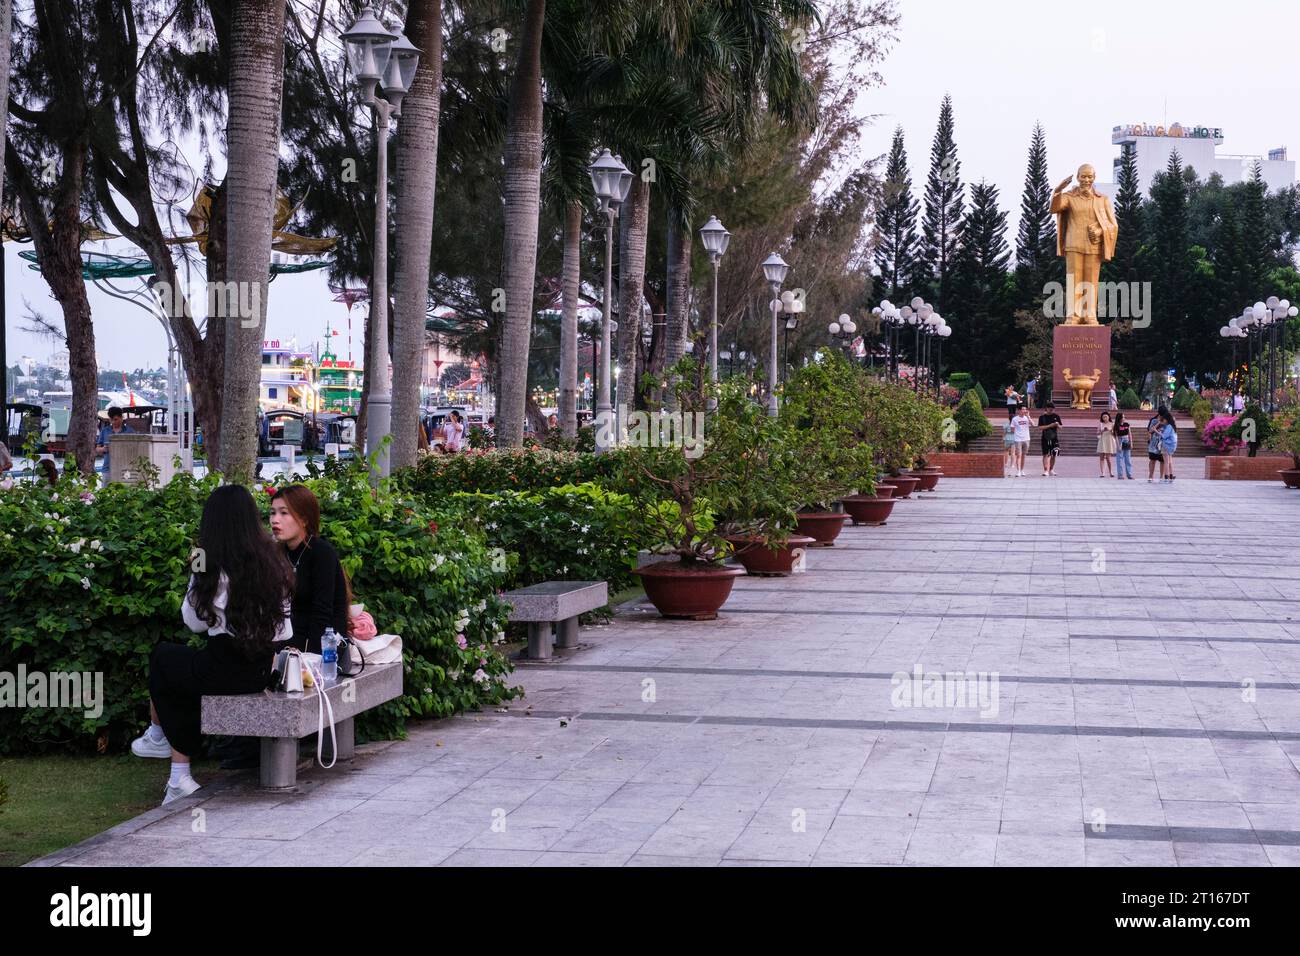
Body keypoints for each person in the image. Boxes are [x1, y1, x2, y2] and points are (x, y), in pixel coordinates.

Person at [130, 485, 294, 804]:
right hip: (260, 671)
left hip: (222, 668)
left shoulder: (208, 563)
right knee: (184, 672)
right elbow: (283, 630)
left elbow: (192, 622)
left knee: (165, 657)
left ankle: (159, 736)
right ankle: (176, 777)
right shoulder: (274, 562)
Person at [270, 484, 350, 653]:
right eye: (273, 512)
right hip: (287, 639)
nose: (275, 519)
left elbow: (323, 612)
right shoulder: (276, 553)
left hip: (321, 644)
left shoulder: (321, 553)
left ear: (304, 519)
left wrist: (311, 657)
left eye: (284, 513)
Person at [95, 406, 135, 476]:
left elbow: (135, 450)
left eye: (115, 419)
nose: (113, 422)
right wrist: (103, 449)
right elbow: (97, 449)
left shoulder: (130, 431)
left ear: (121, 418)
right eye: (111, 420)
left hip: (125, 469)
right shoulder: (105, 431)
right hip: (107, 469)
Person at [1038, 402, 1063, 476]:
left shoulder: (1056, 416)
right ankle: (1045, 470)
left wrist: (1058, 425)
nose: (1051, 410)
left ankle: (1051, 469)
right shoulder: (1042, 417)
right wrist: (1050, 425)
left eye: (1053, 409)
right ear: (1046, 408)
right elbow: (1040, 427)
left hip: (1054, 437)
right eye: (1050, 409)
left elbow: (1061, 427)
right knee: (1045, 454)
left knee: (1054, 454)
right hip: (1045, 437)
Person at [1010, 404, 1033, 478]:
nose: (1024, 411)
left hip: (1026, 439)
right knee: (1019, 455)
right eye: (1023, 409)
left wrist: (1029, 416)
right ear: (1019, 410)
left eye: (1025, 409)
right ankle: (1018, 471)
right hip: (1018, 439)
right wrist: (1017, 435)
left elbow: (1033, 424)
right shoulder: (1015, 419)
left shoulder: (1027, 418)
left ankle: (1022, 470)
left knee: (1024, 455)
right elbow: (1012, 429)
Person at [1146, 407, 1166, 482]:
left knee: (1162, 461)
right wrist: (1158, 423)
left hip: (1163, 444)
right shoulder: (1153, 420)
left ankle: (1161, 477)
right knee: (1152, 460)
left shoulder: (1167, 421)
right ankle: (1150, 476)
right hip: (1153, 444)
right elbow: (1150, 431)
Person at [1159, 408, 1179, 481]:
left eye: (1164, 419)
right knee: (1170, 461)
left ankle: (1166, 476)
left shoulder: (1169, 426)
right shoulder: (1172, 426)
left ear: (1167, 419)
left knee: (1166, 462)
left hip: (1167, 445)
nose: (1163, 421)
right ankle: (1171, 475)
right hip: (1171, 446)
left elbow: (1164, 436)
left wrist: (1156, 431)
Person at [1113, 412, 1134, 479]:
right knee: (1119, 459)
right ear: (1119, 418)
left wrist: (1131, 443)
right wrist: (1118, 445)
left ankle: (1129, 474)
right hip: (1120, 440)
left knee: (1128, 459)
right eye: (1122, 417)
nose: (1124, 418)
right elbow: (1116, 436)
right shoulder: (1116, 425)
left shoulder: (1127, 425)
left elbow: (1129, 434)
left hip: (1126, 440)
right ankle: (1120, 475)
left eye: (1124, 417)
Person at [1096, 412, 1116, 477]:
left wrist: (1110, 431)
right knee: (1101, 458)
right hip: (1102, 441)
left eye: (1106, 417)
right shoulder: (1100, 424)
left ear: (1108, 417)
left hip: (1109, 441)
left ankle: (1110, 472)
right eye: (1103, 417)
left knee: (1108, 458)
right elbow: (1097, 433)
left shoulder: (1112, 424)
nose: (1105, 418)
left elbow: (1115, 433)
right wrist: (1102, 431)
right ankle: (1102, 473)